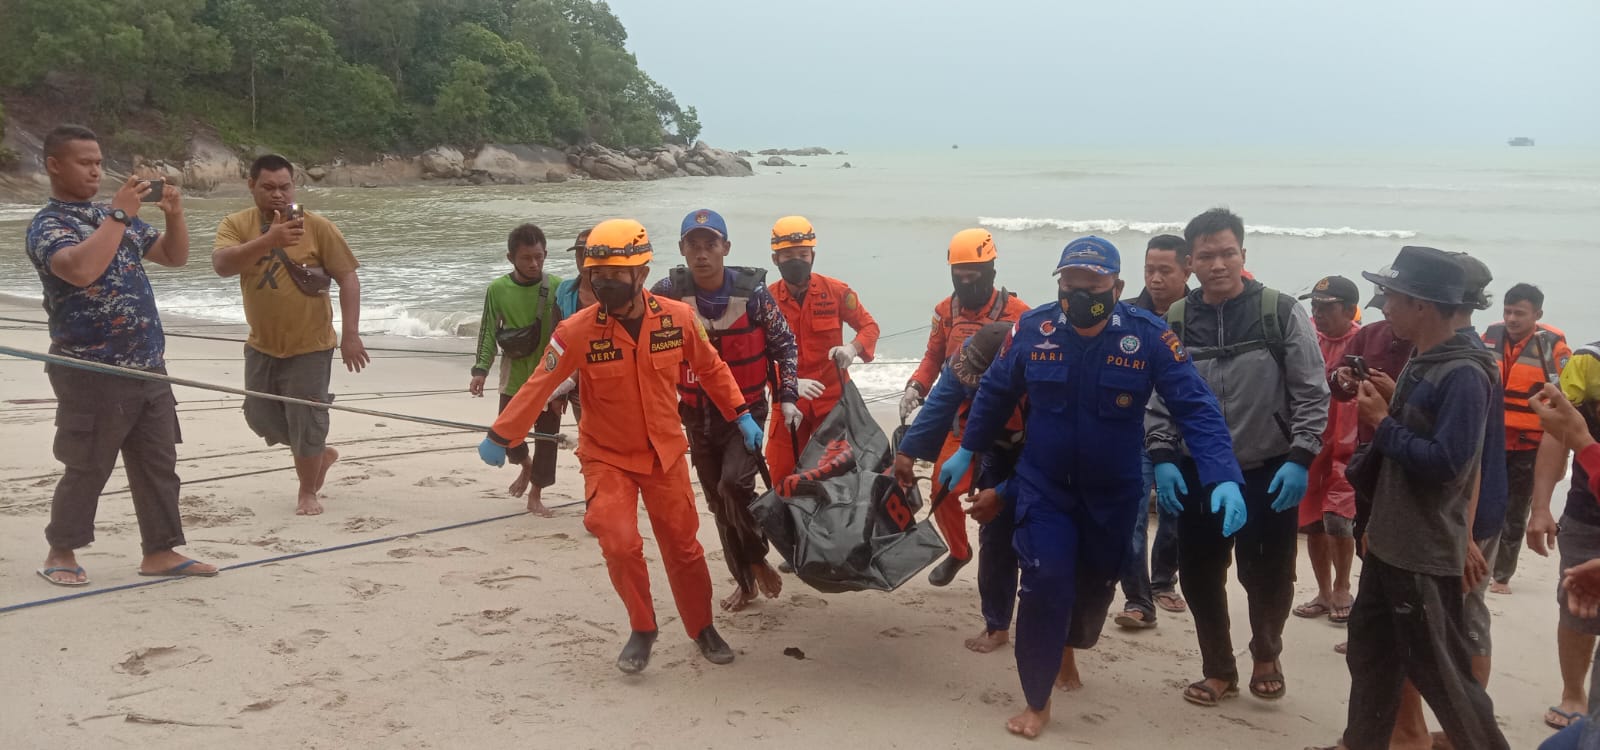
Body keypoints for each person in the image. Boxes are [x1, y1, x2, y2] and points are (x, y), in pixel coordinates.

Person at [952, 235, 1245, 738]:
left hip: (1113, 494)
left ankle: (1070, 648)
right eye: (1071, 283)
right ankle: (1037, 700)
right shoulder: (1032, 328)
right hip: (1044, 487)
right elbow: (997, 391)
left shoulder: (1149, 336)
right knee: (1044, 583)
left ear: (1117, 287)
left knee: (1093, 590)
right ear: (1059, 284)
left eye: (1094, 284)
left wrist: (1223, 475)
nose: (1081, 293)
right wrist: (966, 449)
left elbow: (1195, 406)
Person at [480, 218, 758, 673]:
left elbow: (711, 369)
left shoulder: (678, 318)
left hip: (664, 453)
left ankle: (702, 626)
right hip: (607, 456)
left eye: (614, 275)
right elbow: (540, 381)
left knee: (683, 548)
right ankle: (642, 626)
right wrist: (501, 434)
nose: (603, 283)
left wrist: (741, 414)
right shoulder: (576, 330)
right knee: (618, 540)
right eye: (596, 275)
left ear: (641, 273)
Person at [1315, 245, 1509, 750]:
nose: (1382, 305)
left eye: (1391, 295)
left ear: (1422, 304)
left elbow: (1448, 466)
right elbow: (1419, 446)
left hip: (1422, 555)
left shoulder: (1464, 371)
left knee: (1446, 680)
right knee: (1372, 657)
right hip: (1390, 544)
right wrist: (1392, 401)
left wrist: (1382, 422)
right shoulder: (1428, 361)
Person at [1147, 208, 1328, 706]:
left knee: (1268, 573)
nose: (1219, 264)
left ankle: (1266, 652)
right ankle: (1219, 668)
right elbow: (1160, 395)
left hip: (1269, 468)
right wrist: (1162, 454)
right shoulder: (1178, 319)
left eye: (1228, 253)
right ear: (1191, 262)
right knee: (1201, 572)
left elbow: (1313, 392)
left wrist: (1300, 457)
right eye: (1206, 256)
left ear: (1244, 255)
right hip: (1198, 470)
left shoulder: (1280, 311)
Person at [25, 124, 217, 585]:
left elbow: (173, 256)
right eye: (84, 163)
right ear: (55, 165)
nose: (95, 171)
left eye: (97, 162)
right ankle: (62, 551)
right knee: (88, 462)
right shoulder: (50, 225)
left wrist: (174, 214)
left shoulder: (116, 216)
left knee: (158, 463)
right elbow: (82, 271)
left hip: (148, 364)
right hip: (90, 367)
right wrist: (117, 215)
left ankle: (161, 551)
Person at [650, 208, 800, 612]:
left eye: (710, 244)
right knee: (718, 502)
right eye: (693, 245)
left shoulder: (753, 293)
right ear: (682, 249)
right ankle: (745, 581)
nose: (702, 254)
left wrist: (787, 396)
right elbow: (639, 338)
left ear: (725, 248)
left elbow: (785, 344)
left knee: (734, 486)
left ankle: (755, 557)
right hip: (696, 414)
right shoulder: (665, 292)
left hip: (746, 414)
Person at [211, 154, 368, 516]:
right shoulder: (236, 224)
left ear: (294, 187)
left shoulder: (317, 226)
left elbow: (348, 277)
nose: (278, 195)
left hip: (310, 344)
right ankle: (318, 454)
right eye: (268, 187)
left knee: (307, 417)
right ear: (251, 186)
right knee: (259, 415)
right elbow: (222, 265)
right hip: (262, 343)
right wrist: (270, 239)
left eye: (285, 187)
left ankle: (307, 490)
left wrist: (351, 335)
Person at [897, 228, 1030, 585]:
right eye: (960, 274)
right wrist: (916, 385)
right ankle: (959, 551)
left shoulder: (1020, 314)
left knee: (1003, 499)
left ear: (991, 270)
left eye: (974, 273)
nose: (966, 280)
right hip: (960, 419)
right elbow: (933, 358)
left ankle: (1008, 555)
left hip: (1007, 421)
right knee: (943, 485)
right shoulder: (945, 312)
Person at [894, 323, 1023, 651]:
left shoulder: (1043, 375)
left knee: (1040, 540)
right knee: (995, 536)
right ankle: (997, 625)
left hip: (1041, 447)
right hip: (990, 440)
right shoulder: (966, 358)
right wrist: (907, 451)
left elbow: (1051, 455)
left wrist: (1006, 491)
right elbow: (941, 400)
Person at [764, 215, 881, 483]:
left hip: (833, 405)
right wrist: (789, 384)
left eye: (803, 254)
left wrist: (852, 348)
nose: (797, 261)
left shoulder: (836, 291)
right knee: (782, 476)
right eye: (788, 255)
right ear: (775, 260)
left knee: (835, 478)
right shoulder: (766, 300)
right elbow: (759, 358)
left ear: (813, 256)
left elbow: (869, 327)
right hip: (789, 403)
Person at [1116, 234, 1192, 628]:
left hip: (1184, 434)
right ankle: (1137, 598)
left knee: (1173, 512)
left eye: (1166, 270)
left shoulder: (1201, 315)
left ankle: (1164, 580)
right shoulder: (1123, 314)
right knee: (1131, 515)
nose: (1156, 279)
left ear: (1187, 269)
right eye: (1149, 270)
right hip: (1134, 431)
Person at [1527, 334, 1600, 730]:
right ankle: (1574, 691)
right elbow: (1558, 431)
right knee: (1579, 602)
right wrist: (1540, 506)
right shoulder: (1589, 361)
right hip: (1590, 509)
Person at [470, 223, 565, 516]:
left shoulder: (558, 287)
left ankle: (536, 495)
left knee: (547, 440)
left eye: (539, 256)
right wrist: (480, 369)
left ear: (545, 254)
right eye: (526, 258)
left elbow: (567, 334)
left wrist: (568, 382)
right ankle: (526, 465)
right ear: (511, 257)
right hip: (514, 378)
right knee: (507, 437)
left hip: (550, 379)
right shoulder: (498, 290)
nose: (534, 263)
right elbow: (487, 332)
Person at [1484, 283, 1572, 595]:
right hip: (1493, 440)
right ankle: (1480, 561)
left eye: (1519, 313)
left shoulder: (1554, 348)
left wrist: (1560, 458)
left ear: (1538, 314)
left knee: (1516, 510)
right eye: (1507, 311)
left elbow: (1565, 402)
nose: (1511, 318)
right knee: (1483, 503)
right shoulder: (1490, 337)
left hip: (1529, 443)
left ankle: (1502, 576)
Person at [1292, 276, 1363, 625]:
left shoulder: (1363, 342)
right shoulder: (1306, 339)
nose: (1318, 313)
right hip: (1311, 441)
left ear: (1349, 310)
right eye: (1314, 306)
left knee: (1339, 520)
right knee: (1313, 521)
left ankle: (1342, 586)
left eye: (1327, 307)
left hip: (1349, 444)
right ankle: (1322, 591)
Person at [555, 228, 594, 424]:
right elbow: (556, 343)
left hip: (609, 384)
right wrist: (559, 391)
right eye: (580, 254)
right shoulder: (564, 291)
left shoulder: (615, 293)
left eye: (588, 253)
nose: (583, 259)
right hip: (575, 388)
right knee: (587, 440)